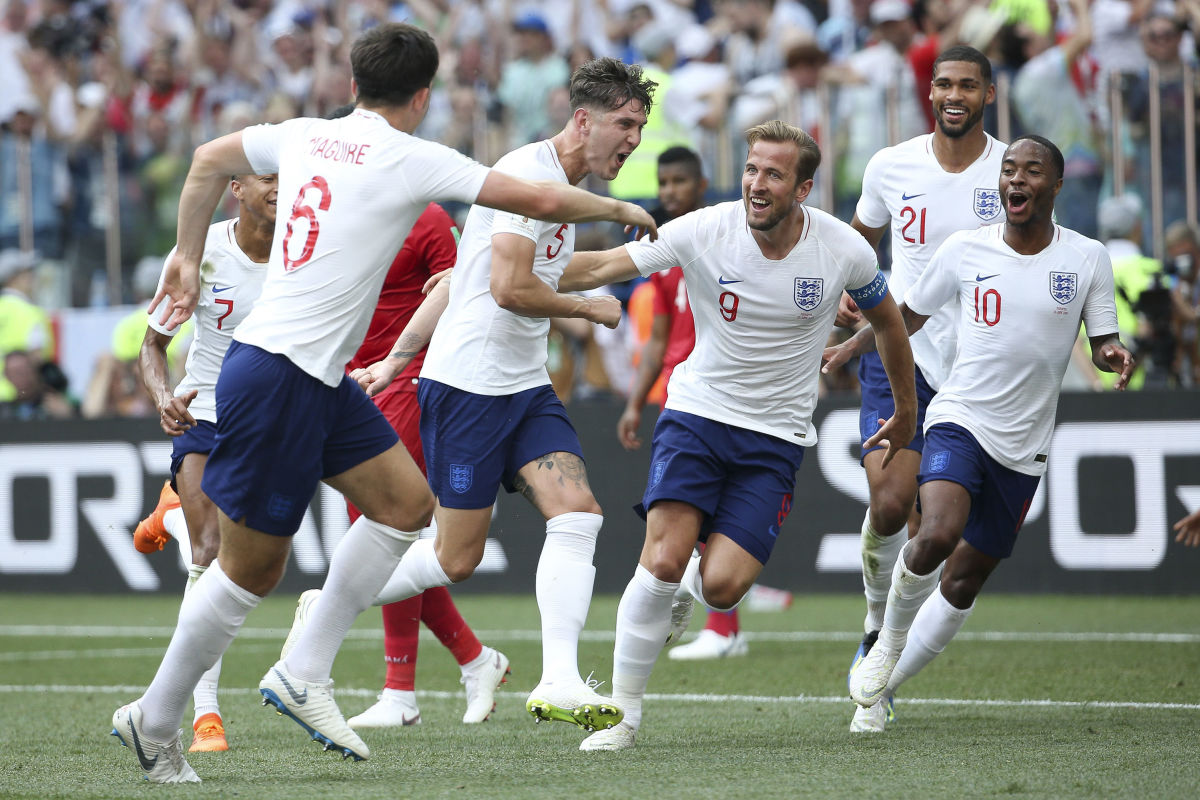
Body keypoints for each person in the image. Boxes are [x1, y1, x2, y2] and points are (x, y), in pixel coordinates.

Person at [110, 23, 656, 785]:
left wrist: (186, 250)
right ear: (424, 95)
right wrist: (629, 213)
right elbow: (530, 194)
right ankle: (155, 718)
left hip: (314, 375)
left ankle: (304, 669)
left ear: (353, 81)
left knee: (405, 505)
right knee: (245, 575)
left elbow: (205, 162)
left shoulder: (303, 134)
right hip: (277, 374)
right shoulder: (410, 156)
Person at [556, 120, 917, 752]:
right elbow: (603, 265)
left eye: (773, 174)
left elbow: (890, 323)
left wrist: (907, 411)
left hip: (775, 440)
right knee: (662, 558)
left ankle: (687, 595)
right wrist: (500, 267)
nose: (756, 184)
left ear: (803, 188)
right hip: (696, 417)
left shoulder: (842, 250)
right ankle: (623, 716)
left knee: (722, 585)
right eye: (751, 169)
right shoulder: (705, 229)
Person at [347, 56, 657, 737]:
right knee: (456, 558)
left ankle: (560, 679)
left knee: (577, 514)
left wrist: (397, 356)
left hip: (522, 387)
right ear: (584, 120)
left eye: (640, 124)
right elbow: (511, 289)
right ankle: (333, 604)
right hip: (469, 388)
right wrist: (589, 309)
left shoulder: (559, 184)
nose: (633, 138)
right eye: (624, 123)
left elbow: (461, 277)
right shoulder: (530, 176)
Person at [830, 135, 1133, 718]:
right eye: (1010, 170)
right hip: (960, 416)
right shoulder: (966, 249)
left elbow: (1101, 342)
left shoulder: (1088, 257)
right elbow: (906, 318)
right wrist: (852, 346)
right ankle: (884, 643)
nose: (1017, 180)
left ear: (1056, 186)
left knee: (964, 580)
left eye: (1032, 172)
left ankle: (884, 688)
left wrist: (1114, 355)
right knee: (938, 532)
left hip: (1025, 444)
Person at [841, 44, 1007, 733]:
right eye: (943, 84)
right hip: (899, 351)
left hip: (979, 370)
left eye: (967, 85)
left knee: (937, 531)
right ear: (930, 92)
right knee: (889, 501)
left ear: (988, 95)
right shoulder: (890, 165)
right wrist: (846, 300)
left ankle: (886, 653)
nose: (953, 95)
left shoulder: (1012, 170)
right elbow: (859, 240)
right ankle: (877, 625)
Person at [338, 202, 510, 729]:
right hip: (348, 382)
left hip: (405, 380)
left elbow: (467, 287)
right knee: (381, 540)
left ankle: (400, 692)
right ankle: (475, 660)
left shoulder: (429, 218)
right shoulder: (338, 213)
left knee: (382, 531)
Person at [619, 145, 792, 661]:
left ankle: (722, 624)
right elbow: (658, 340)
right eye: (662, 182)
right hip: (683, 398)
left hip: (736, 401)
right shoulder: (668, 252)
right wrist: (634, 401)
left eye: (679, 182)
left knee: (710, 517)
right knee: (684, 517)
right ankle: (715, 617)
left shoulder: (730, 236)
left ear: (702, 185)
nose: (669, 191)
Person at [134, 171, 278, 753]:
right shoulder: (200, 254)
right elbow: (151, 345)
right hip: (206, 413)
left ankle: (165, 516)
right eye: (267, 176)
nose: (281, 185)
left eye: (288, 176)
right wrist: (164, 397)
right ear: (236, 189)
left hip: (274, 420)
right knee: (210, 551)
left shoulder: (308, 252)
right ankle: (205, 716)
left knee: (254, 565)